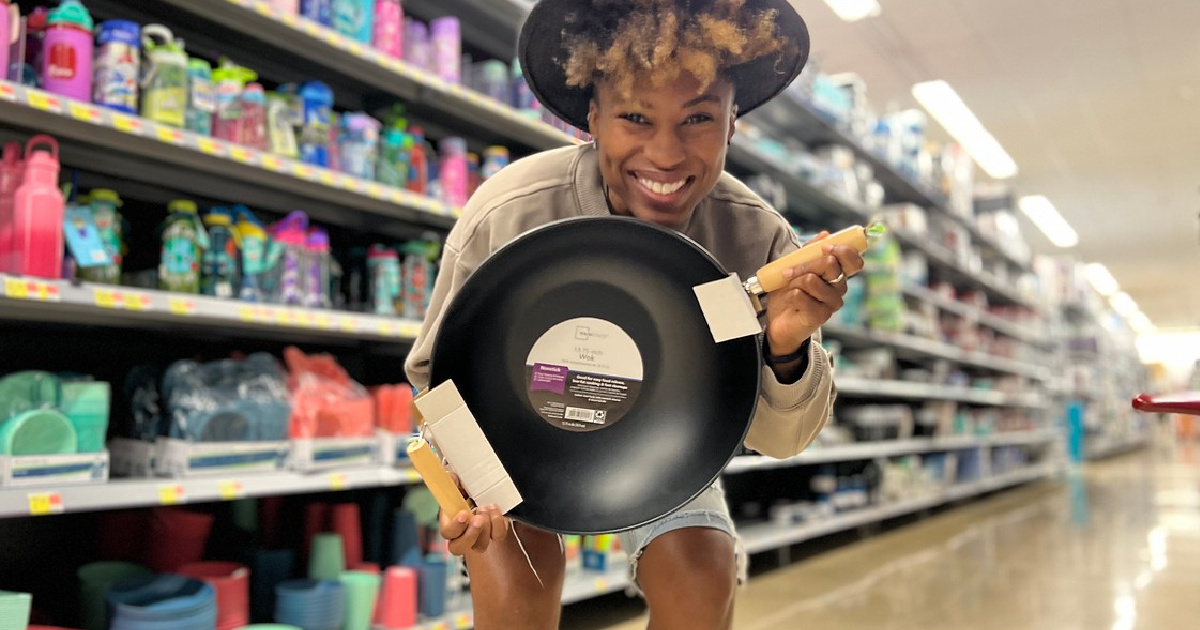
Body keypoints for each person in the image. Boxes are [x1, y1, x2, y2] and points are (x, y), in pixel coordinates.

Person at [403, 1, 865, 628]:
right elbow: (439, 375)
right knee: (515, 596)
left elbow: (781, 439)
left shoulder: (753, 238)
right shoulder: (511, 212)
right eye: (635, 117)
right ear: (592, 119)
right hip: (512, 447)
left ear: (733, 123)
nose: (666, 154)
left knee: (701, 583)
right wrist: (462, 485)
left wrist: (784, 348)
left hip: (664, 450)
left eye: (698, 118)